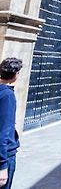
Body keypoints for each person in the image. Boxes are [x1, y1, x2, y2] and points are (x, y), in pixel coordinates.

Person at [0, 57, 23, 189]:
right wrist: (2, 165)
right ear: (15, 74)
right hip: (5, 154)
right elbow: (4, 131)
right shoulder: (7, 95)